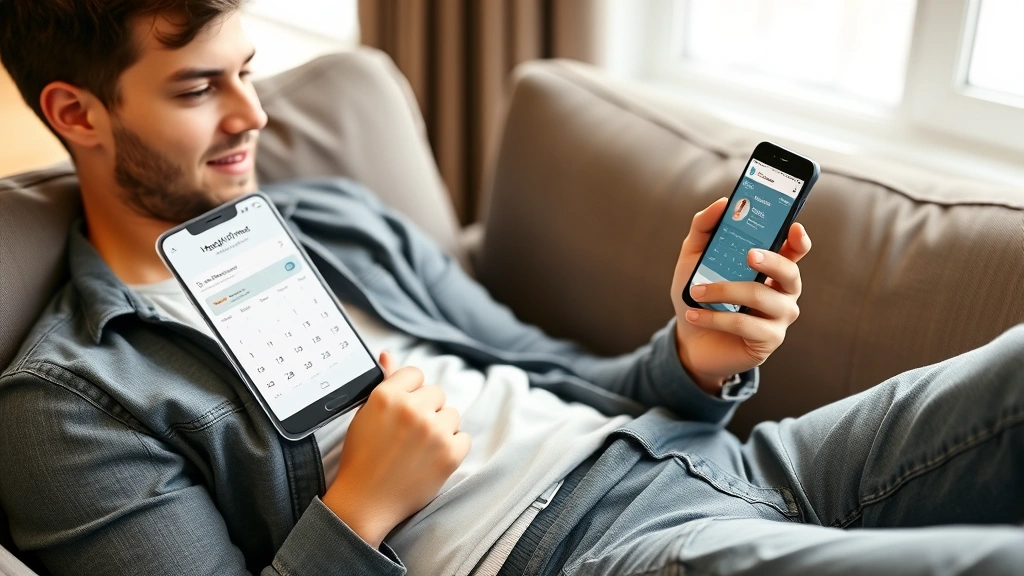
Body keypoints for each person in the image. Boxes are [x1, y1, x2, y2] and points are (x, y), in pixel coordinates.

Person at [0, 2, 1021, 575]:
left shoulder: (329, 219)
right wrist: (359, 507)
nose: (253, 114)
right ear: (78, 114)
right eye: (198, 88)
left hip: (719, 457)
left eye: (247, 71)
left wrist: (694, 358)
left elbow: (561, 372)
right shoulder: (72, 405)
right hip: (590, 552)